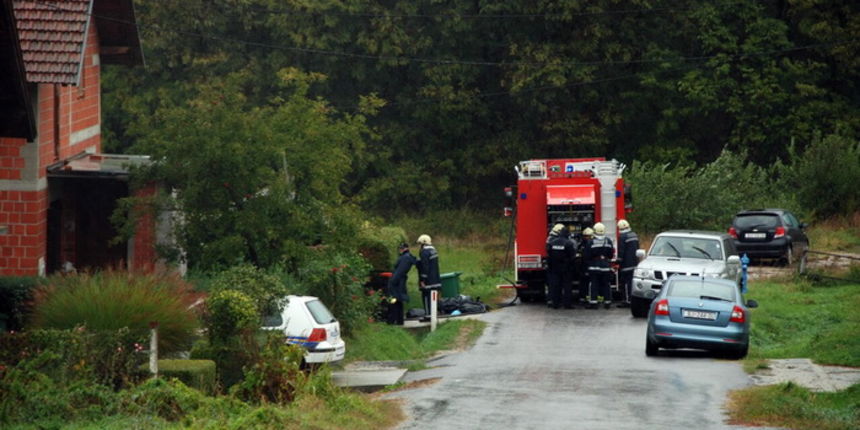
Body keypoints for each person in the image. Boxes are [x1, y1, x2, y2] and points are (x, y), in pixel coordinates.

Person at [545, 224, 576, 309]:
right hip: (566, 268)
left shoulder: (552, 242)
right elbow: (572, 256)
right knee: (567, 286)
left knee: (556, 286)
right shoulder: (569, 243)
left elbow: (549, 255)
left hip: (555, 268)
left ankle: (555, 304)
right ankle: (567, 304)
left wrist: (550, 266)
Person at [584, 222, 614, 309]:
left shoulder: (591, 242)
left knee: (594, 284)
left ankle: (593, 303)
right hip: (605, 266)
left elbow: (587, 255)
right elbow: (611, 255)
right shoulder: (608, 241)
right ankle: (607, 302)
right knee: (606, 284)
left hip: (594, 267)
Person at [386, 242, 416, 325]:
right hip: (399, 282)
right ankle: (399, 320)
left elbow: (400, 271)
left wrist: (392, 281)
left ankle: (392, 320)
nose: (400, 250)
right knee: (398, 301)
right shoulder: (406, 257)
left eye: (401, 248)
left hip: (397, 283)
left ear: (405, 248)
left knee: (394, 300)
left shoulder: (405, 258)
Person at [415, 234, 441, 317]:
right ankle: (434, 314)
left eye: (420, 244)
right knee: (434, 299)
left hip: (428, 282)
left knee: (426, 298)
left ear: (423, 243)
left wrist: (423, 280)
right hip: (435, 280)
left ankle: (428, 315)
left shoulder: (424, 252)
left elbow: (425, 267)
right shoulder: (433, 250)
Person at [616, 219, 639, 308]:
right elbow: (637, 248)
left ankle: (626, 301)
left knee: (625, 283)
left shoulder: (622, 237)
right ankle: (631, 299)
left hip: (626, 264)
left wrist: (618, 261)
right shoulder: (634, 235)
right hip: (634, 262)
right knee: (631, 282)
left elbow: (621, 250)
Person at [577, 227, 594, 304]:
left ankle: (588, 297)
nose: (586, 238)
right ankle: (583, 297)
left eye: (588, 236)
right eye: (585, 236)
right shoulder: (583, 244)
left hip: (589, 266)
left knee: (590, 283)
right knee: (584, 283)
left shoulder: (588, 244)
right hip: (584, 266)